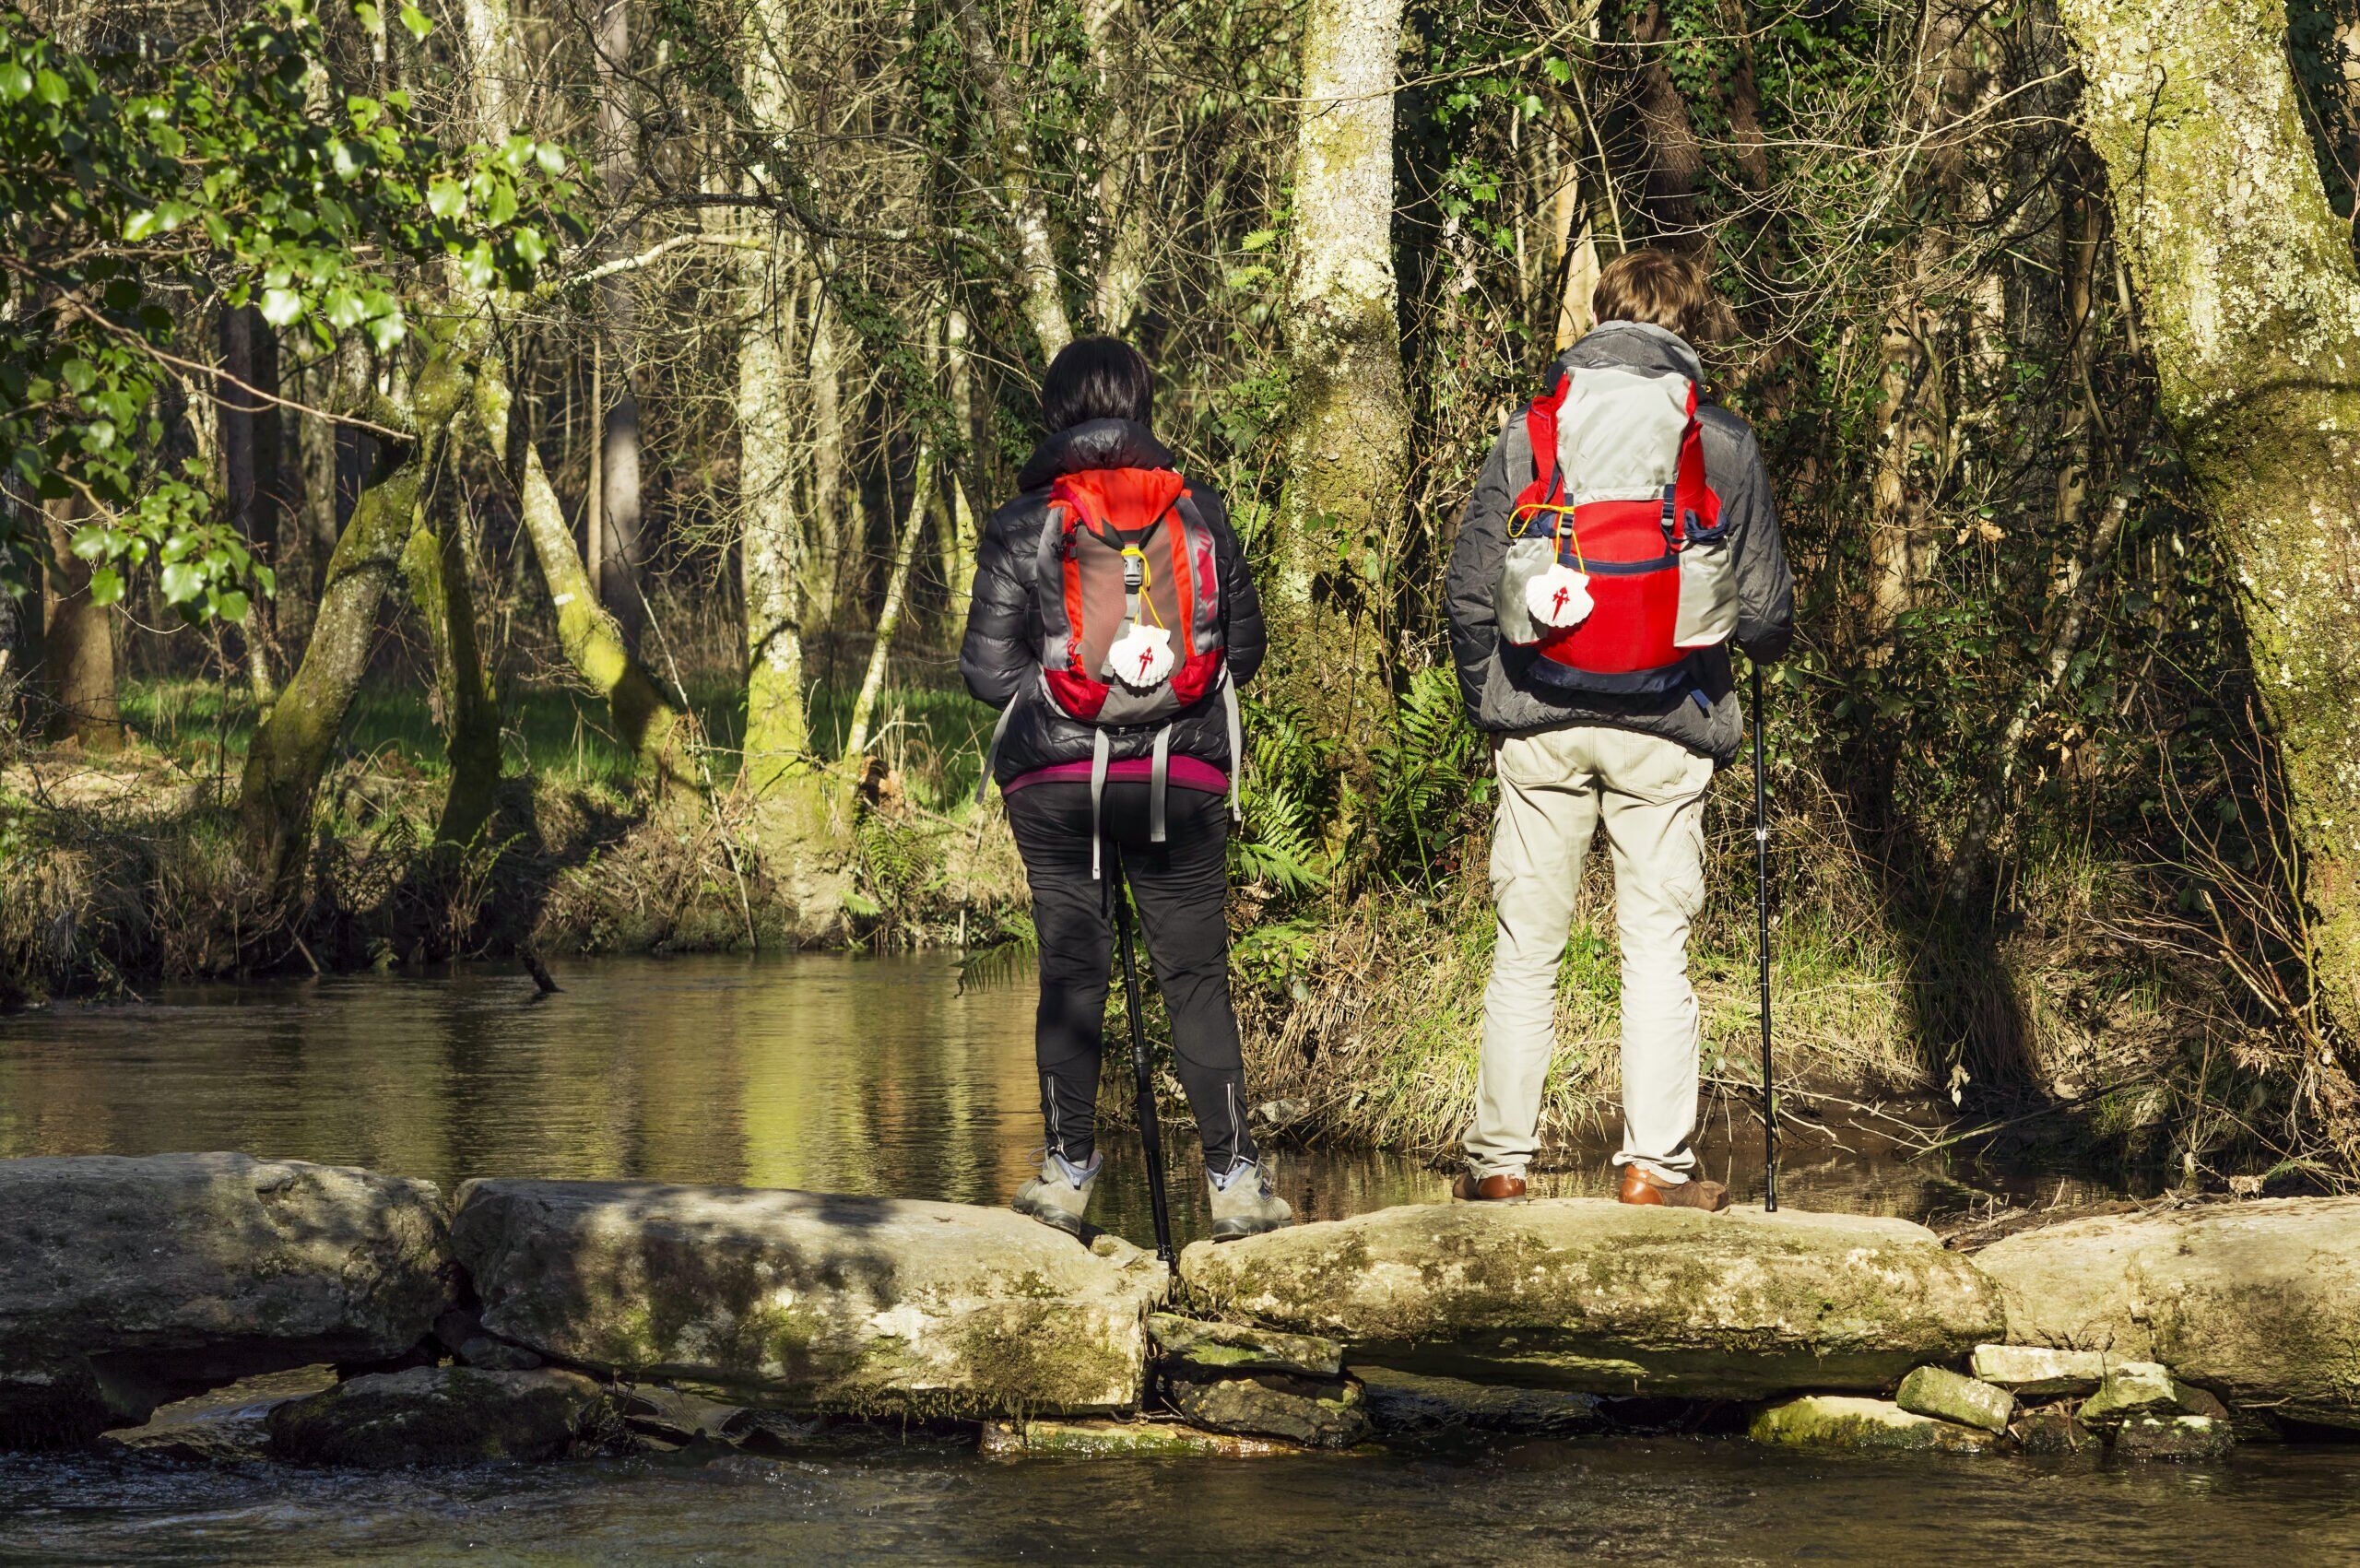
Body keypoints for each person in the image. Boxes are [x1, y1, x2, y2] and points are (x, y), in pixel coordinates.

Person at [1443, 249, 1795, 1210]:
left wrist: (1497, 698)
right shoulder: (1720, 443)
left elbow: (1471, 595)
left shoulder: (1531, 434)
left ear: (1598, 318)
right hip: (1669, 723)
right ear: (1691, 330)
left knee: (1526, 947)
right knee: (1655, 952)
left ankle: (1501, 1165)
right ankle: (1652, 1168)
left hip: (1539, 721)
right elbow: (1765, 620)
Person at [962, 336, 1292, 1243]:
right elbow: (1246, 653)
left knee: (1073, 974)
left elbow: (987, 675)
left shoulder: (1023, 521)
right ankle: (1232, 1184)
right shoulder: (1199, 512)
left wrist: (1066, 689)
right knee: (1194, 978)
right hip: (1179, 782)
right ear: (1141, 406)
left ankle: (1066, 1177)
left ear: (1056, 411)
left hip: (1059, 786)